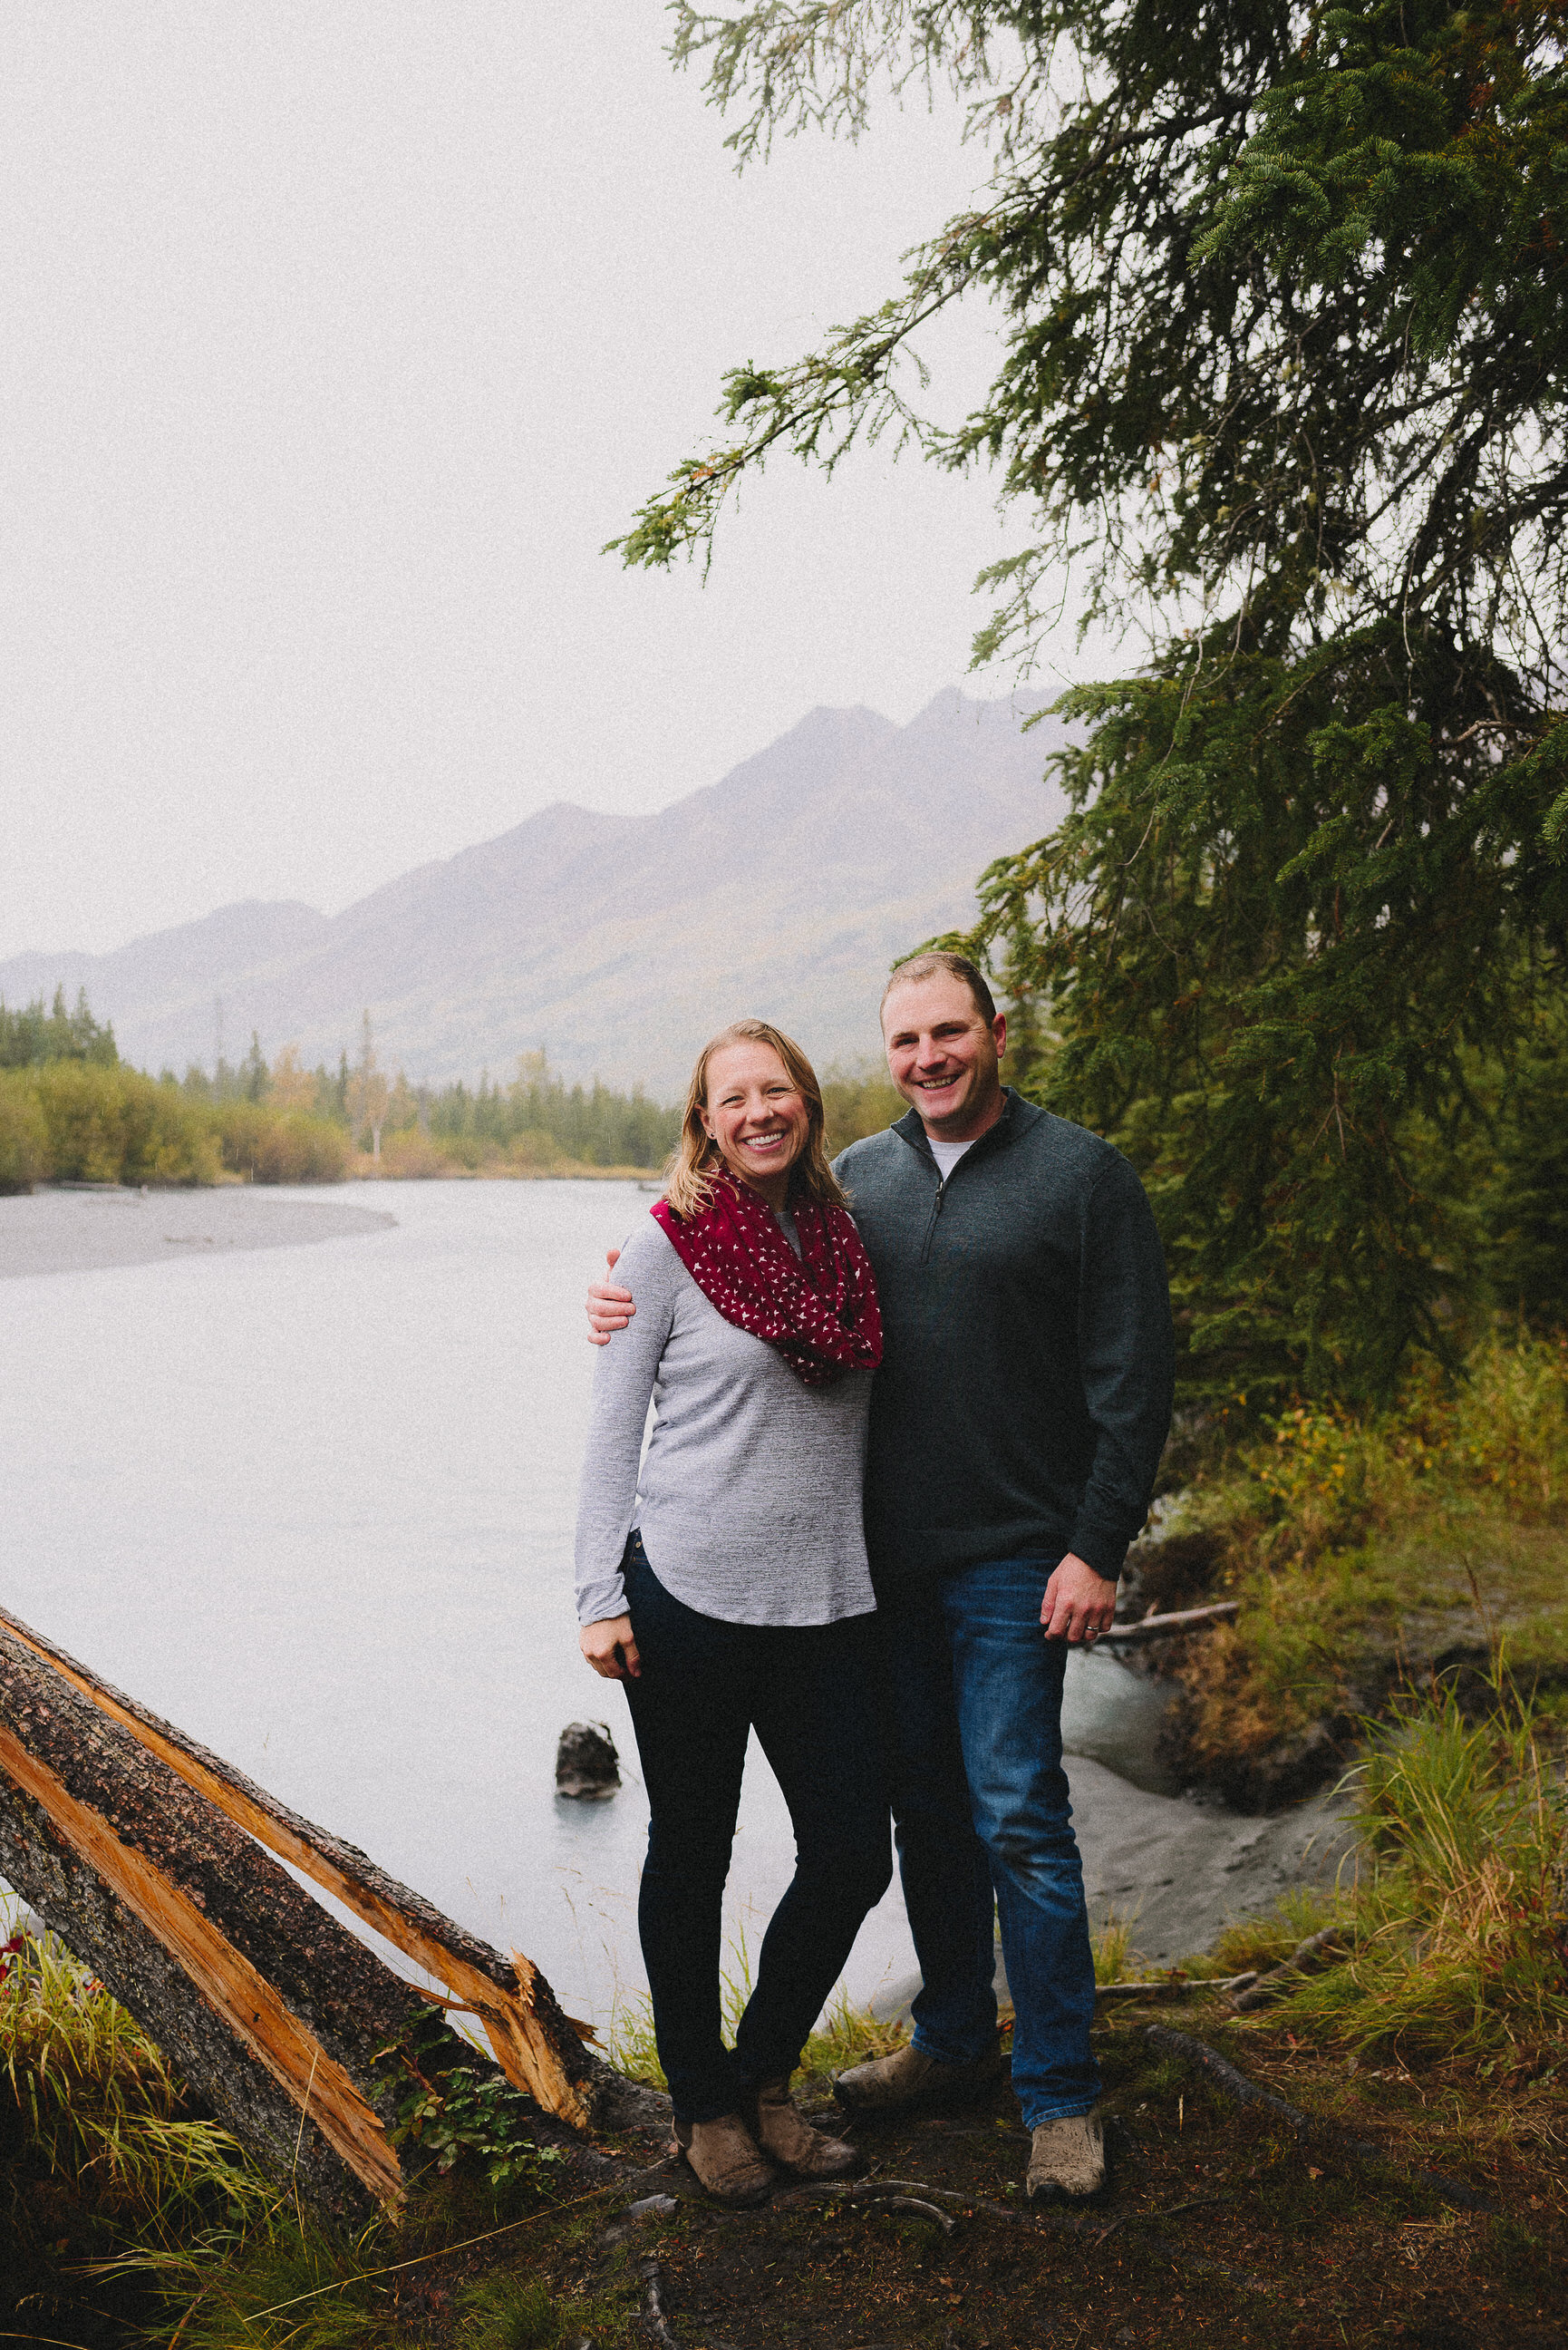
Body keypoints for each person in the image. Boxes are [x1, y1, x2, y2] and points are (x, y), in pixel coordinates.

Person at [588, 953, 1174, 2202]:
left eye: (947, 1033)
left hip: (1006, 1565)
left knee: (1010, 1813)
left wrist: (1095, 1545)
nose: (927, 1059)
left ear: (994, 1033)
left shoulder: (1075, 1178)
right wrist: (616, 1300)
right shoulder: (851, 1187)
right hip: (860, 1577)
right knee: (914, 1821)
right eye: (905, 1041)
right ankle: (945, 2043)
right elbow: (681, 1325)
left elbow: (1132, 1380)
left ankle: (1057, 2094)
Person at [573, 1016, 891, 2207]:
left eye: (777, 1090)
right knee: (691, 1855)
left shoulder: (844, 1235)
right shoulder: (663, 1247)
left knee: (853, 1852)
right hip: (688, 1600)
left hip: (828, 1603)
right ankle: (702, 2110)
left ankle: (764, 2078)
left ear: (806, 1102)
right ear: (702, 1124)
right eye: (732, 1098)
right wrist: (598, 1594)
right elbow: (610, 1438)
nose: (757, 1111)